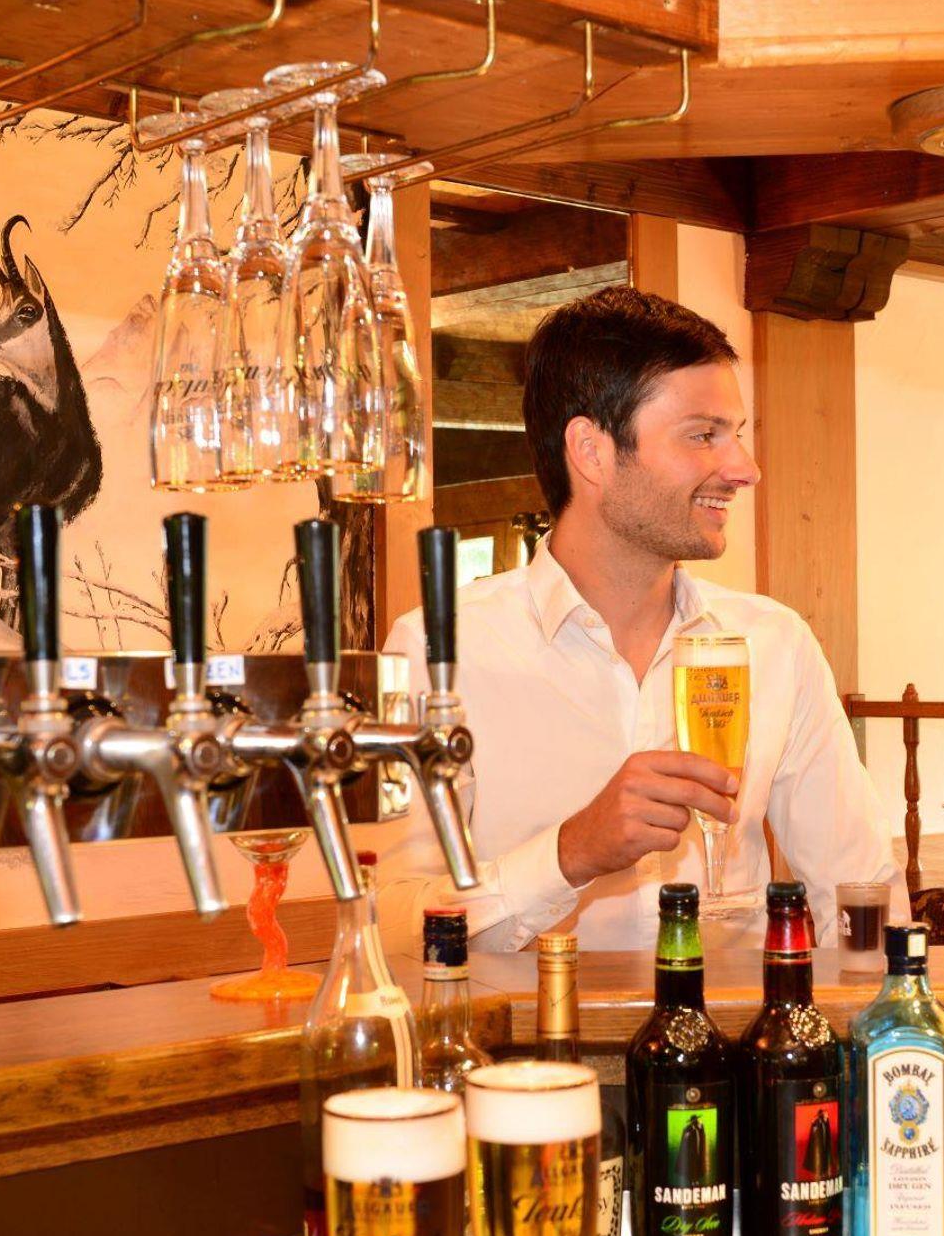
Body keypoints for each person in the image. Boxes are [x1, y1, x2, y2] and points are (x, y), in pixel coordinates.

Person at [380, 286, 901, 952]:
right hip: (525, 1024)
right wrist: (569, 854)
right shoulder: (435, 650)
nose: (745, 469)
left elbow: (861, 893)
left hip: (735, 1022)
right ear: (591, 451)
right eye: (704, 435)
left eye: (737, 436)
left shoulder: (776, 644)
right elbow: (394, 924)